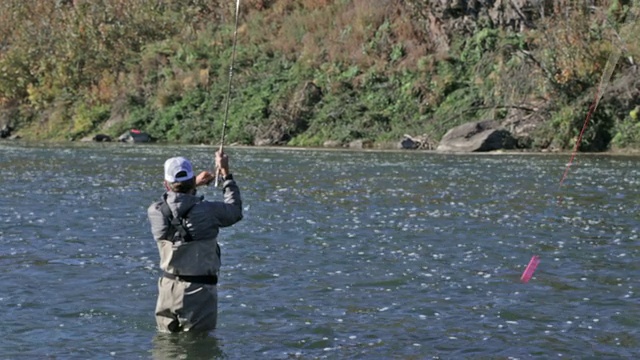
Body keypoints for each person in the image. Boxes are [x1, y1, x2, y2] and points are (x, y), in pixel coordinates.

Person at [147, 151, 243, 332]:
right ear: (192, 182)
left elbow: (173, 201)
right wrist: (226, 174)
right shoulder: (208, 211)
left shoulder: (155, 211)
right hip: (198, 291)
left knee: (165, 348)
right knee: (198, 349)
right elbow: (235, 210)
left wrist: (191, 186)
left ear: (166, 184)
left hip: (167, 289)